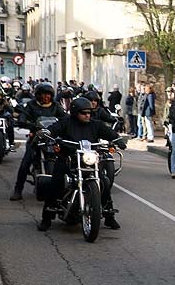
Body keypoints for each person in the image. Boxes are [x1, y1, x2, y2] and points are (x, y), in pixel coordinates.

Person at [36, 97, 126, 231]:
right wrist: (47, 133)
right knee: (56, 182)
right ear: (75, 112)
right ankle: (47, 217)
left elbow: (109, 132)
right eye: (84, 113)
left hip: (88, 161)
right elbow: (55, 128)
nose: (87, 115)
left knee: (104, 182)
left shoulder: (95, 124)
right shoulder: (66, 122)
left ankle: (109, 216)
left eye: (89, 112)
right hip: (68, 159)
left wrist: (117, 139)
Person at [10, 83, 67, 200]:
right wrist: (29, 125)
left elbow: (65, 119)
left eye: (48, 95)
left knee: (66, 160)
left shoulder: (55, 106)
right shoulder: (31, 105)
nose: (46, 97)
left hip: (52, 138)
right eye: (43, 94)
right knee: (25, 163)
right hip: (36, 137)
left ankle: (66, 189)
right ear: (38, 95)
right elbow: (22, 118)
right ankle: (18, 189)